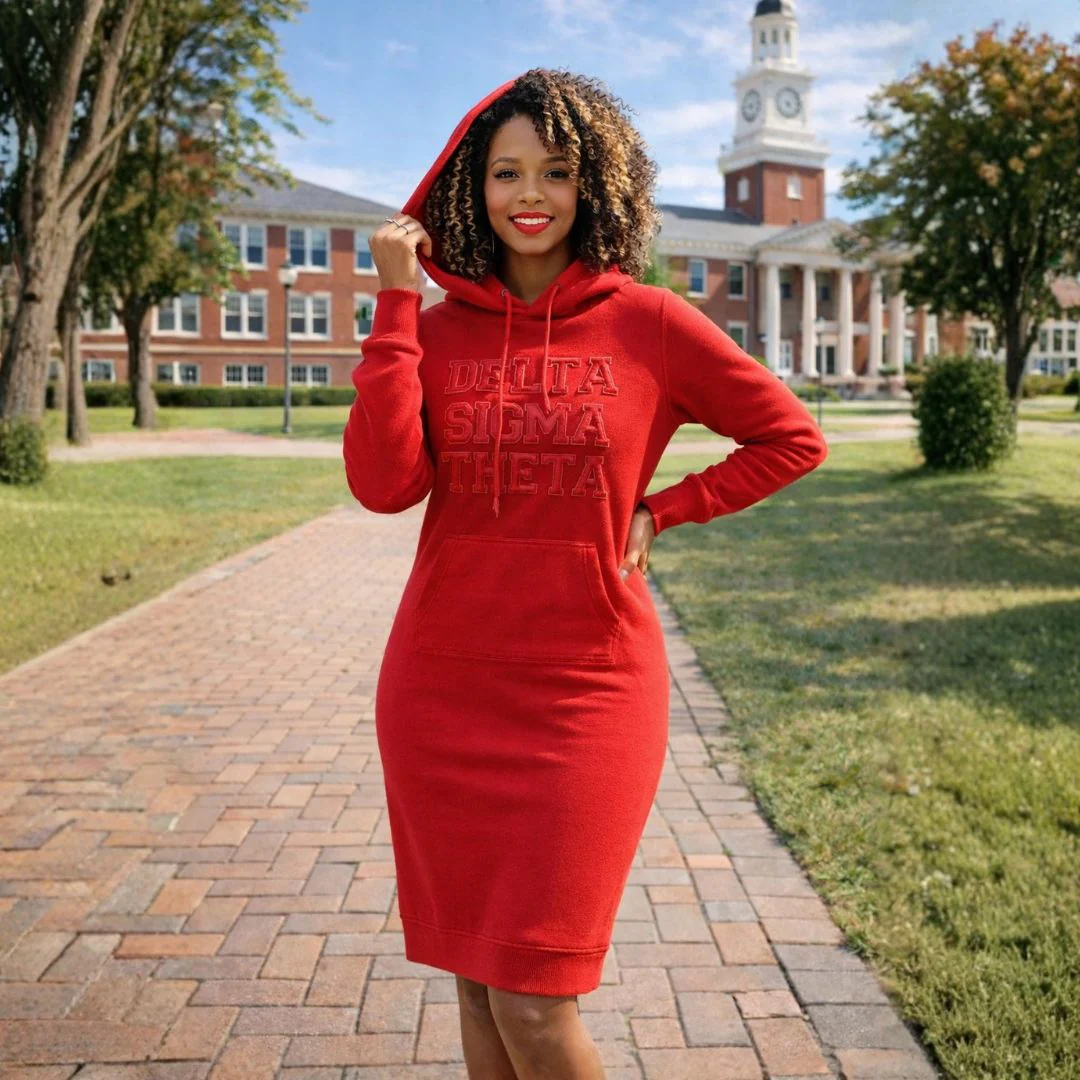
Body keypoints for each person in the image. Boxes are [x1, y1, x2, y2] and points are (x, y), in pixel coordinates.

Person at [343, 68, 829, 1080]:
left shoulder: (648, 322)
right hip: (441, 688)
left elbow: (790, 437)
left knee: (532, 998)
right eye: (507, 171)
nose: (530, 194)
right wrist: (397, 308)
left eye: (555, 172)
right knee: (476, 983)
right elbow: (385, 486)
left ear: (592, 182)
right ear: (470, 188)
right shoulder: (429, 333)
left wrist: (668, 505)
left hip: (586, 691)